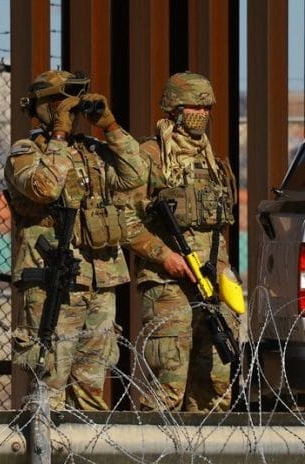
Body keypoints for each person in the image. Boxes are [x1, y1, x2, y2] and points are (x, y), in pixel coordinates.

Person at [6, 70, 147, 411]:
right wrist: (59, 134)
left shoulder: (93, 151)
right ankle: (44, 440)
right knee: (51, 379)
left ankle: (88, 440)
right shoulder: (26, 151)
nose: (70, 109)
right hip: (55, 280)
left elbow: (136, 174)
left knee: (92, 383)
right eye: (60, 102)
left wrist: (110, 126)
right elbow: (44, 188)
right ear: (43, 107)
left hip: (101, 277)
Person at [123, 71, 241, 412]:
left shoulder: (213, 162)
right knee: (168, 387)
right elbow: (126, 221)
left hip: (212, 283)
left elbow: (218, 227)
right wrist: (165, 257)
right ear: (174, 109)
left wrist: (224, 275)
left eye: (207, 108)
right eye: (195, 107)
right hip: (168, 284)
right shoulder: (149, 156)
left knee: (215, 388)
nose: (202, 114)